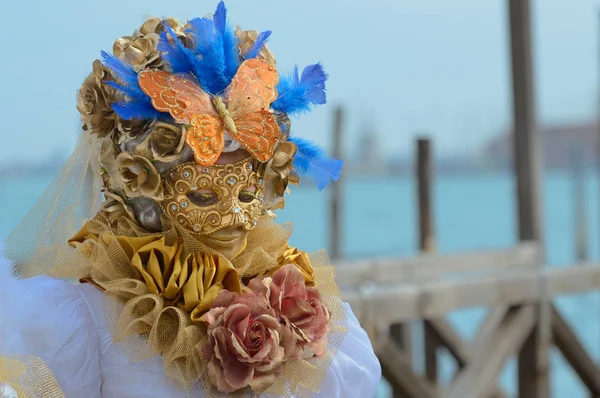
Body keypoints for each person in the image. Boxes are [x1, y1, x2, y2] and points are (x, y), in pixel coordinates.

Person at [0, 2, 381, 397]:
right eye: (203, 194)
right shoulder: (85, 316)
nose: (233, 214)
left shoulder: (292, 295)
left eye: (247, 192)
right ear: (142, 182)